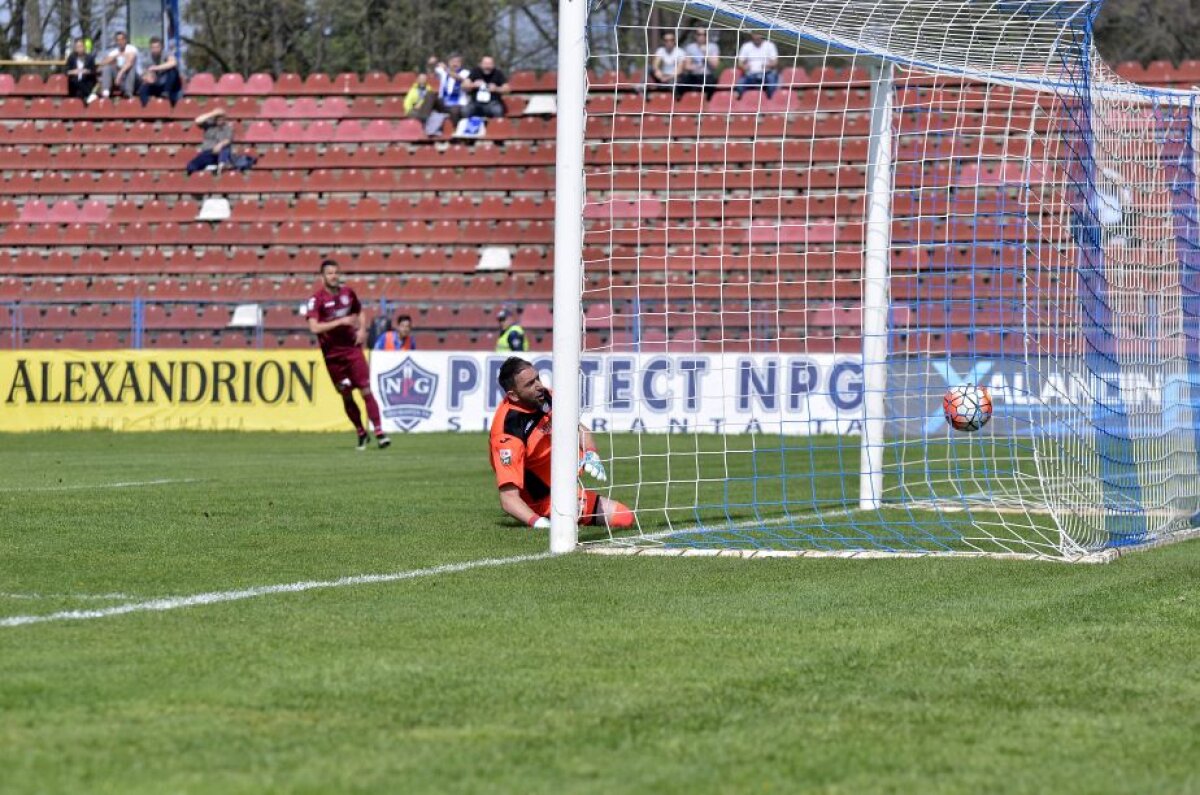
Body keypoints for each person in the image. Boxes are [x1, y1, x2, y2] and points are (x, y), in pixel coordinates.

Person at [490, 357, 634, 530]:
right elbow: (509, 499)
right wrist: (540, 523)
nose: (538, 385)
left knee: (624, 516)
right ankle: (555, 512)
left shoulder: (545, 397)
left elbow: (579, 428)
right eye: (529, 384)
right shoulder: (509, 433)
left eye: (537, 378)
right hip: (542, 500)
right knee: (622, 517)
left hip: (562, 485)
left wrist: (591, 453)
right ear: (513, 395)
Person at [306, 260, 390, 450]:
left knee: (366, 390)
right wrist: (340, 321)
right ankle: (361, 432)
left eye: (336, 272)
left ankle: (380, 432)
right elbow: (314, 327)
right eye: (330, 273)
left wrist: (362, 331)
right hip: (332, 356)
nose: (334, 276)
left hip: (352, 350)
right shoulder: (316, 299)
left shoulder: (348, 293)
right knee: (346, 395)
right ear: (322, 277)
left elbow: (359, 311)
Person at [677, 28, 720, 101]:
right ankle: (683, 103)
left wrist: (706, 54)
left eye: (704, 34)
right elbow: (687, 66)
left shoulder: (713, 47)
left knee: (712, 83)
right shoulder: (690, 47)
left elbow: (715, 66)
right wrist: (692, 67)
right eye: (699, 34)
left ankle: (709, 103)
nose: (702, 36)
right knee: (681, 83)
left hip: (707, 75)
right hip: (694, 75)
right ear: (695, 36)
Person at [429, 53, 471, 126]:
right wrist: (432, 63)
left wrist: (446, 69)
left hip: (458, 104)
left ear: (461, 63)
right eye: (452, 62)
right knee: (429, 95)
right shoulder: (443, 72)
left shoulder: (465, 72)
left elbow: (459, 78)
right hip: (443, 102)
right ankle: (420, 121)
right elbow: (432, 70)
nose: (455, 64)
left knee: (454, 111)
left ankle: (457, 130)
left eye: (457, 62)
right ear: (448, 62)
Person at [138, 37, 181, 106]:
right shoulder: (147, 58)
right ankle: (146, 107)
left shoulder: (166, 53)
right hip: (157, 83)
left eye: (157, 47)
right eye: (153, 47)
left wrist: (156, 68)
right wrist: (147, 78)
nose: (155, 49)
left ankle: (166, 93)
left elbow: (173, 62)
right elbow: (144, 73)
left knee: (173, 71)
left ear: (161, 47)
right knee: (143, 88)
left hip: (171, 85)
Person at [735, 32, 779, 100]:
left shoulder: (770, 45)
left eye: (759, 33)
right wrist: (744, 67)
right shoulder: (746, 46)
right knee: (740, 83)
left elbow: (775, 62)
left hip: (766, 74)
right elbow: (740, 63)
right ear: (752, 35)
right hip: (750, 74)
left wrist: (768, 65)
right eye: (755, 33)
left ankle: (770, 102)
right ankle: (743, 102)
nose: (757, 36)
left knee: (772, 81)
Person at [96, 31, 138, 101]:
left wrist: (119, 74)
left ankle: (128, 94)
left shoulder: (131, 49)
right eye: (118, 40)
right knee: (107, 67)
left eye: (122, 39)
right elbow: (103, 62)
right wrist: (114, 57)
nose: (120, 42)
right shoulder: (114, 52)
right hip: (119, 80)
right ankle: (106, 92)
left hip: (133, 79)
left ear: (125, 40)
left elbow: (129, 62)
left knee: (131, 68)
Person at [64, 37, 97, 104]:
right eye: (77, 47)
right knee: (74, 81)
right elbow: (66, 71)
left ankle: (87, 97)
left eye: (81, 46)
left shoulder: (89, 58)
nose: (79, 48)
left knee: (80, 92)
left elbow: (93, 71)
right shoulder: (72, 58)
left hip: (86, 81)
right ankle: (90, 95)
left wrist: (87, 71)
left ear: (84, 47)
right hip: (74, 83)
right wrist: (73, 71)